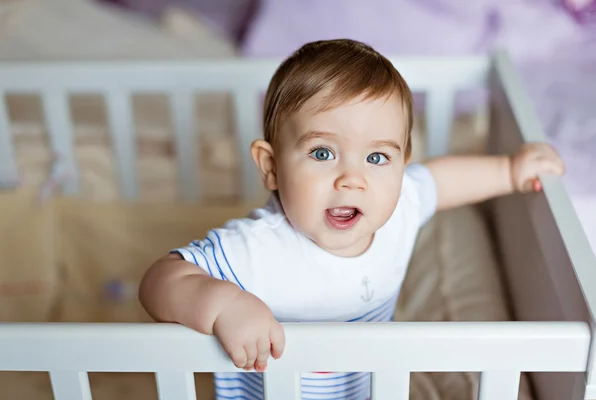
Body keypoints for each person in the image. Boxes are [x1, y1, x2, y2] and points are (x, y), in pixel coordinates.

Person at [139, 38, 565, 400]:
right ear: (270, 167)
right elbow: (160, 280)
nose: (353, 180)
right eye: (322, 153)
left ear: (400, 166)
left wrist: (509, 171)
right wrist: (225, 305)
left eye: (377, 157)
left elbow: (439, 180)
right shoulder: (259, 248)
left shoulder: (398, 209)